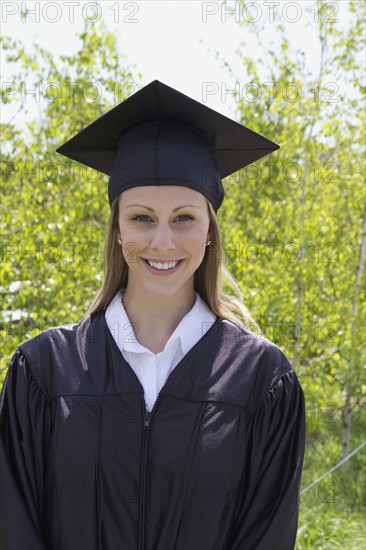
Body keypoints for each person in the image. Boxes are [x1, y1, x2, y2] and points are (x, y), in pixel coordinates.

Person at [0, 80, 305, 550]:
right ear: (118, 229)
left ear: (209, 232)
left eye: (184, 218)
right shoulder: (44, 371)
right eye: (141, 217)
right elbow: (14, 526)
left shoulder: (261, 380)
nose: (162, 241)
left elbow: (268, 535)